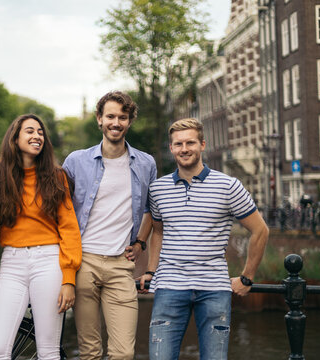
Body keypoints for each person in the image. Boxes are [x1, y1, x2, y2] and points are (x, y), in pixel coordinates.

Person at [139, 118, 269, 360]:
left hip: (213, 288)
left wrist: (247, 277)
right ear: (171, 148)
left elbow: (260, 230)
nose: (184, 149)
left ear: (202, 144)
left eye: (190, 142)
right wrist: (150, 270)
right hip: (170, 285)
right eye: (178, 144)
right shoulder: (157, 189)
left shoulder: (228, 186)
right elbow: (158, 231)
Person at [62, 91, 157, 359]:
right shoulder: (75, 161)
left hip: (120, 265)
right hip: (84, 262)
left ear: (129, 121)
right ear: (99, 119)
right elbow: (61, 210)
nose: (116, 122)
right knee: (90, 351)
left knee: (124, 353)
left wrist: (140, 242)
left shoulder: (146, 163)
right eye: (111, 116)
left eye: (123, 117)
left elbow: (150, 209)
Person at [0, 114, 82, 360]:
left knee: (48, 350)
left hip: (48, 261)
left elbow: (69, 228)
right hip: (11, 262)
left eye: (40, 132)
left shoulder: (55, 175)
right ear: (15, 137)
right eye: (30, 131)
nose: (37, 136)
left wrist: (69, 279)